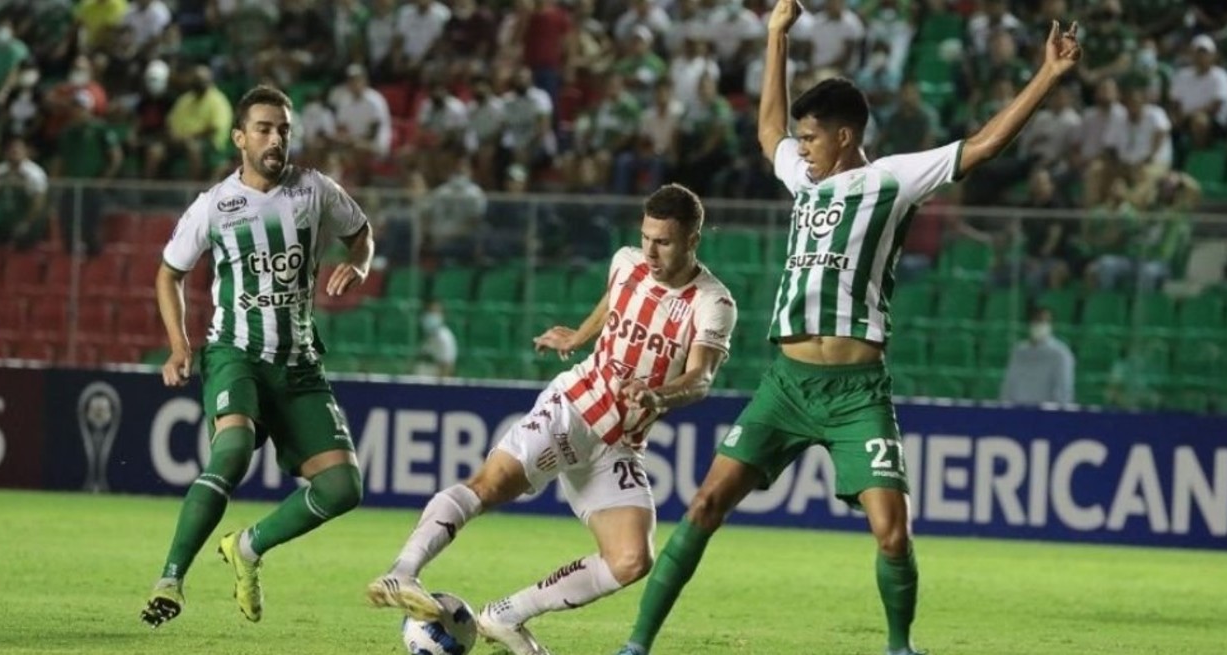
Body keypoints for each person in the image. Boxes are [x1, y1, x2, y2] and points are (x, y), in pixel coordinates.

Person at [613, 3, 1083, 654]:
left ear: (842, 135)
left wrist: (1047, 77)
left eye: (810, 137)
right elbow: (767, 128)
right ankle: (636, 644)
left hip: (857, 390)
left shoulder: (890, 179)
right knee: (704, 505)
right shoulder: (804, 182)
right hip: (785, 384)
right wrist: (777, 34)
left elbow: (982, 146)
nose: (798, 147)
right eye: (801, 139)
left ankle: (898, 646)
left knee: (893, 531)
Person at [366, 184, 737, 655]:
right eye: (646, 237)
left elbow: (701, 378)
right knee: (490, 484)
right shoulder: (627, 261)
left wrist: (659, 396)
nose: (651, 251)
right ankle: (402, 572)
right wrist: (578, 336)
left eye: (663, 241)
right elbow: (613, 301)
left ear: (692, 239)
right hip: (578, 405)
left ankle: (505, 615)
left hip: (621, 442)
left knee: (630, 560)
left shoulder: (712, 303)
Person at [140, 85, 375, 628]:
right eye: (265, 129)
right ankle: (171, 579)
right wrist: (179, 345)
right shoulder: (214, 206)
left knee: (343, 489)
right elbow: (169, 273)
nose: (276, 139)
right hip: (235, 353)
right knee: (233, 452)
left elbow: (361, 234)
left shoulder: (315, 191)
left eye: (284, 130)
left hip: (299, 365)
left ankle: (247, 546)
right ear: (239, 137)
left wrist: (359, 264)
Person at [999, 307, 1075, 405]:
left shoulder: (1060, 354)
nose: (1039, 325)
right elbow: (1008, 384)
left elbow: (1064, 389)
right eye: (1036, 321)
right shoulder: (1018, 351)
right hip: (1017, 411)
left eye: (1044, 321)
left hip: (1045, 413)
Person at [415, 299, 458, 379]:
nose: (431, 315)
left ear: (443, 315)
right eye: (430, 312)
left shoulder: (445, 337)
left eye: (435, 312)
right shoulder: (429, 336)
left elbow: (448, 368)